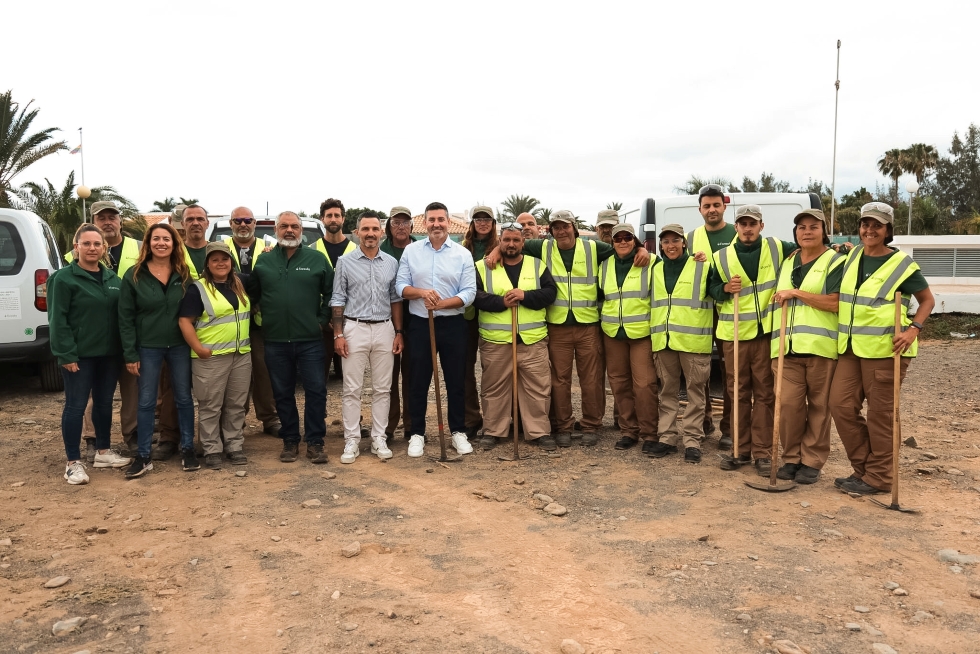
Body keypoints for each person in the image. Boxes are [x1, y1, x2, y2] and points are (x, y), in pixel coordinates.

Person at [485, 210, 650, 448]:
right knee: (559, 379)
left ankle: (591, 425)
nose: (561, 231)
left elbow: (624, 248)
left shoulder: (593, 248)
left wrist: (642, 248)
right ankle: (563, 425)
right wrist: (496, 250)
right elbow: (512, 241)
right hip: (557, 325)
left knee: (591, 379)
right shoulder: (543, 247)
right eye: (556, 227)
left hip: (588, 325)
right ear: (551, 230)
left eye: (565, 226)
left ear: (574, 227)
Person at [830, 202, 935, 496]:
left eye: (877, 225)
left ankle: (880, 477)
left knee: (881, 416)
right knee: (839, 405)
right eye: (865, 224)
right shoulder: (852, 257)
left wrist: (914, 329)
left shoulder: (902, 264)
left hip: (886, 350)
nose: (869, 230)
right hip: (851, 348)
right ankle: (864, 468)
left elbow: (927, 300)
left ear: (888, 229)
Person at [709, 204, 798, 476]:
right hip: (734, 335)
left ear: (761, 225)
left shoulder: (777, 247)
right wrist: (724, 288)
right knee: (738, 393)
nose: (748, 228)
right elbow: (710, 289)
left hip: (765, 334)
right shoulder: (721, 256)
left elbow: (809, 250)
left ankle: (762, 453)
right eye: (743, 224)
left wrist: (841, 249)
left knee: (764, 394)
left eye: (753, 223)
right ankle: (739, 450)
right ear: (735, 227)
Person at [247, 211, 334, 464]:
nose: (289, 231)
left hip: (310, 341)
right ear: (276, 230)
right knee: (282, 393)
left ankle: (315, 442)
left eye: (294, 226)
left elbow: (331, 292)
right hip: (274, 340)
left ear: (301, 230)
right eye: (284, 226)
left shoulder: (317, 259)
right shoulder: (263, 262)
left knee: (316, 391)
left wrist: (321, 320)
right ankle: (290, 440)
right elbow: (253, 294)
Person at [48, 224, 132, 484]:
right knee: (75, 405)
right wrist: (66, 354)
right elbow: (57, 320)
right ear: (76, 247)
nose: (92, 248)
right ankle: (73, 462)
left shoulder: (112, 279)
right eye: (86, 244)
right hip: (79, 356)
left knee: (105, 402)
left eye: (97, 244)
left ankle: (104, 451)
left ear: (104, 248)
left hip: (109, 355)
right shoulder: (63, 279)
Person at [769, 209, 846, 485]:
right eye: (801, 227)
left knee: (819, 407)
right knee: (788, 405)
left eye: (813, 227)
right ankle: (790, 458)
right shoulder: (788, 261)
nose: (807, 231)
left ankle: (811, 460)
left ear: (823, 231)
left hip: (820, 347)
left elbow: (836, 302)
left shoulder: (834, 261)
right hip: (785, 348)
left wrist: (797, 293)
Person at [395, 201, 477, 458]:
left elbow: (469, 293)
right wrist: (422, 294)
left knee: (456, 380)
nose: (436, 224)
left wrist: (442, 303)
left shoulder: (462, 254)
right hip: (420, 323)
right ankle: (417, 433)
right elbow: (401, 287)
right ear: (425, 223)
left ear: (449, 223)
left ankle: (457, 432)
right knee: (418, 379)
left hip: (453, 324)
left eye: (441, 220)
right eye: (431, 220)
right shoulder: (412, 251)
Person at [118, 223, 197, 478]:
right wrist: (130, 353)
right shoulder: (134, 275)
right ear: (148, 243)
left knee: (184, 398)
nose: (161, 243)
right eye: (156, 239)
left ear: (174, 244)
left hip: (179, 346)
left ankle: (187, 448)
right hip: (148, 347)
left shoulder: (184, 274)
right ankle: (143, 456)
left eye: (166, 239)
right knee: (146, 400)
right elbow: (125, 317)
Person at [66, 201, 141, 461]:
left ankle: (130, 435)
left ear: (120, 221)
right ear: (93, 223)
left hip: (125, 338)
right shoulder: (71, 260)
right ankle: (92, 439)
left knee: (129, 391)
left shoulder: (137, 248)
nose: (107, 222)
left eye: (112, 217)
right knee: (88, 397)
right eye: (102, 218)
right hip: (91, 343)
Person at [473, 222, 557, 448]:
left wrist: (525, 296)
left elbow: (550, 293)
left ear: (523, 243)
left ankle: (538, 431)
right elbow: (475, 295)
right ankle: (493, 431)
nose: (511, 244)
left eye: (516, 240)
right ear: (499, 242)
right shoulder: (483, 267)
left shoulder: (536, 265)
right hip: (496, 341)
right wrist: (501, 302)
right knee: (494, 388)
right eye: (507, 240)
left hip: (532, 340)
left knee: (537, 388)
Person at [330, 211, 404, 463]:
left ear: (381, 232)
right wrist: (338, 333)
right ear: (357, 232)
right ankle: (351, 440)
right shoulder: (345, 262)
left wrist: (398, 332)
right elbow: (338, 298)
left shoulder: (391, 263)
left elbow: (395, 299)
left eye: (375, 229)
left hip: (384, 328)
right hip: (354, 327)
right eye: (365, 229)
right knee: (352, 389)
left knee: (383, 388)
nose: (370, 233)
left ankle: (378, 437)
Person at [178, 241, 252, 468]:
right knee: (211, 405)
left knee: (236, 404)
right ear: (207, 265)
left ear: (231, 262)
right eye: (215, 260)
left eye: (225, 259)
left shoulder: (239, 284)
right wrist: (199, 349)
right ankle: (211, 449)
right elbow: (185, 320)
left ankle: (234, 445)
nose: (221, 263)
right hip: (210, 357)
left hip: (241, 355)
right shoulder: (197, 289)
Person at [650, 224, 714, 463]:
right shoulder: (655, 269)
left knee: (695, 393)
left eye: (675, 241)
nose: (670, 246)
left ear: (684, 243)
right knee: (667, 391)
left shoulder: (701, 266)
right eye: (665, 242)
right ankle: (666, 438)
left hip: (693, 342)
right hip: (664, 341)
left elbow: (718, 290)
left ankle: (692, 441)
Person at [598, 223, 659, 451]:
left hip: (642, 333)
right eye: (618, 239)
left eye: (627, 238)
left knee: (644, 385)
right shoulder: (604, 266)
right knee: (619, 384)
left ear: (635, 240)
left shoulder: (651, 262)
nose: (622, 242)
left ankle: (649, 433)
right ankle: (628, 431)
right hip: (613, 333)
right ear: (612, 243)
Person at [688, 185, 738, 448]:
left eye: (716, 205)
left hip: (729, 312)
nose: (712, 210)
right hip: (700, 313)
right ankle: (703, 419)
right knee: (700, 370)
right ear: (700, 209)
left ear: (724, 207)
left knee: (730, 373)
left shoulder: (736, 233)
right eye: (706, 206)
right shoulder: (690, 237)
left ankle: (729, 428)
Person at [223, 206, 279, 437]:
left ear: (255, 223)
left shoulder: (271, 249)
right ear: (231, 224)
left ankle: (270, 418)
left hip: (260, 323)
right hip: (229, 325)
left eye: (247, 220)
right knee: (236, 377)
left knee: (264, 372)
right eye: (238, 220)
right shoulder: (219, 249)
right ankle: (235, 423)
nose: (243, 224)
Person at [381, 206, 418, 440]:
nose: (401, 227)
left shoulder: (420, 249)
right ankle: (388, 425)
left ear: (412, 226)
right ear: (389, 226)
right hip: (386, 318)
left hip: (415, 317)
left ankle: (412, 425)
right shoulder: (380, 249)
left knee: (413, 374)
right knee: (388, 375)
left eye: (405, 222)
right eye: (396, 222)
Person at [461, 206, 498, 438]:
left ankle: (497, 418)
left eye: (487, 219)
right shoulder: (463, 249)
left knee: (494, 370)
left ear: (493, 223)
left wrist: (499, 251)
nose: (482, 223)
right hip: (466, 316)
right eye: (478, 219)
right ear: (472, 223)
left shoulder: (502, 246)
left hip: (493, 315)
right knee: (465, 369)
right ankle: (471, 418)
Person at [311, 198, 354, 383]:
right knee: (318, 378)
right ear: (322, 219)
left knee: (351, 379)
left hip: (351, 321)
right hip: (322, 324)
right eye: (329, 215)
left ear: (343, 219)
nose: (333, 219)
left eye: (337, 215)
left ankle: (353, 413)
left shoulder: (356, 250)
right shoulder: (312, 251)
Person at [180, 204, 209, 280]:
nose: (196, 223)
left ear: (207, 224)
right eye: (190, 219)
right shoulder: (175, 252)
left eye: (200, 219)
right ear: (182, 224)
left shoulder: (219, 251)